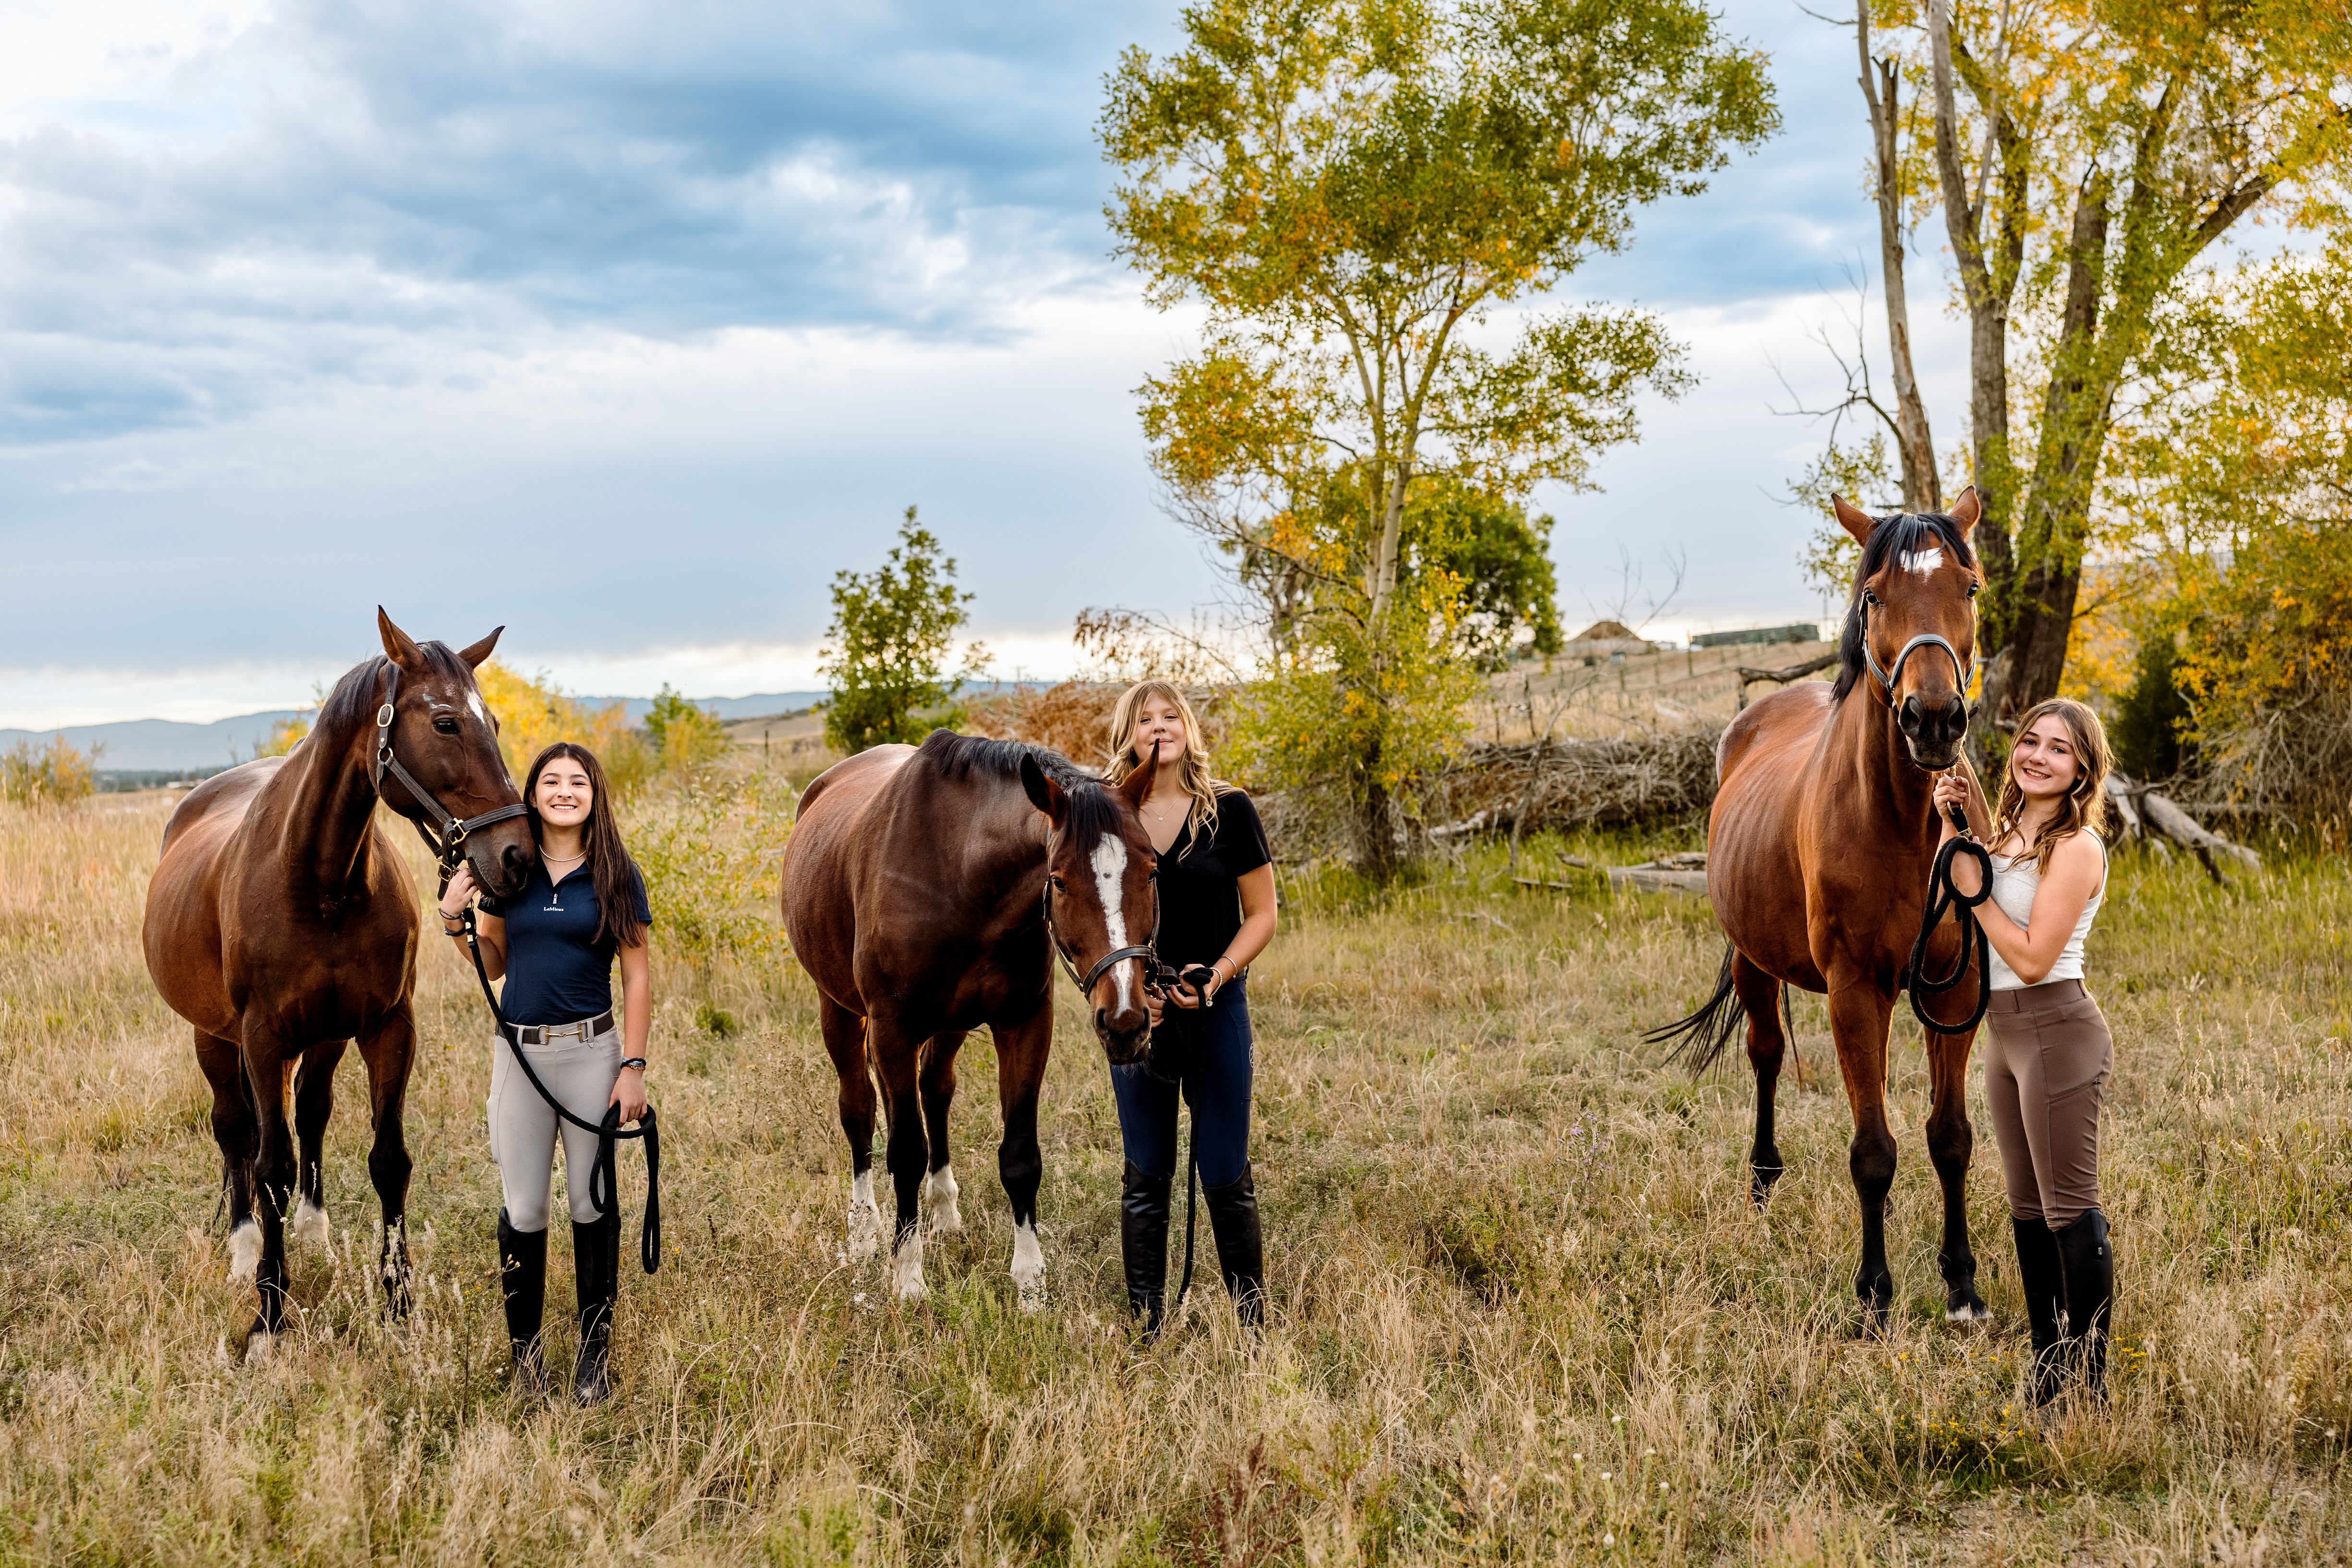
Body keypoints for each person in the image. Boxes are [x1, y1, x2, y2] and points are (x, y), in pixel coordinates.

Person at [438, 741, 652, 1404]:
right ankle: (526, 1362)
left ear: (594, 794)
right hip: (520, 1054)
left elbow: (638, 975)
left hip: (593, 1053)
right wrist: (455, 917)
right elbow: (495, 963)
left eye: (577, 781)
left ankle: (593, 1360)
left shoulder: (618, 872)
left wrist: (633, 1067)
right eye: (551, 780)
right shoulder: (514, 872)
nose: (564, 790)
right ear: (531, 794)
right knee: (525, 1208)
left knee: (591, 1204)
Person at [1934, 698, 2116, 1406]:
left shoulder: (2077, 848)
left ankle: (2092, 1382)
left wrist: (1975, 894)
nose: (2037, 756)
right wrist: (1960, 823)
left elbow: (2034, 955)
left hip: (2055, 1030)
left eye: (2059, 750)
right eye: (2030, 741)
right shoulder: (2011, 833)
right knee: (2025, 1205)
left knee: (2068, 1206)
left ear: (2081, 772)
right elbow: (1981, 872)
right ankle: (2048, 1368)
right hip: (2004, 1037)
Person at [1103, 681, 1279, 1332]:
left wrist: (1218, 974)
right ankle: (1147, 1329)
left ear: (1188, 726)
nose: (1158, 726)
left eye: (1169, 714)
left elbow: (1263, 914)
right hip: (1138, 1018)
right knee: (1146, 1172)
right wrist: (1131, 992)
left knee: (1225, 1170)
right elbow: (1084, 915)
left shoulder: (1229, 809)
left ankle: (1252, 1328)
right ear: (1128, 734)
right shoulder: (1107, 814)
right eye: (1143, 718)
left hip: (1215, 1009)